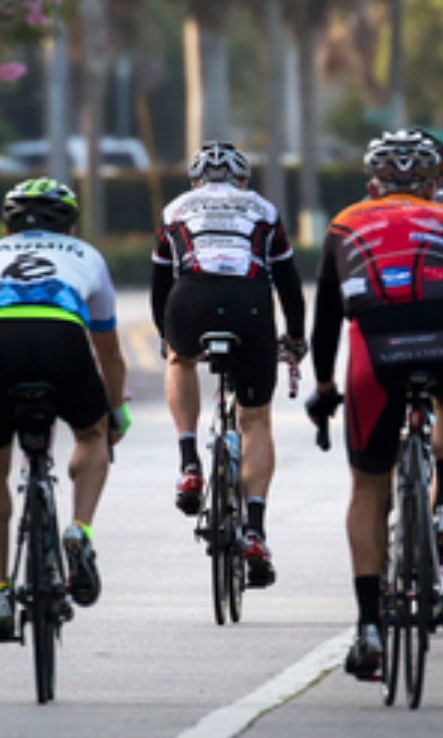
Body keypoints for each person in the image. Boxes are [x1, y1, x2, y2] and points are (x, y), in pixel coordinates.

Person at [305, 131, 443, 679]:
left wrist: (325, 389)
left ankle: (368, 629)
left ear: (370, 183)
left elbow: (325, 324)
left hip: (372, 347)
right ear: (436, 183)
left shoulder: (343, 223)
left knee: (367, 486)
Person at [0, 177, 129, 642]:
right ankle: (79, 530)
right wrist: (114, 413)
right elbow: (109, 354)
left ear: (7, 228)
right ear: (70, 226)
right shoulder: (88, 256)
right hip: (61, 343)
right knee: (91, 435)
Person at [151, 141, 307, 588]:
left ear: (196, 180)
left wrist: (169, 338)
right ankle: (255, 532)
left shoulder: (175, 209)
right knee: (255, 418)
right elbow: (289, 283)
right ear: (242, 180)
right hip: (249, 305)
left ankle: (189, 465)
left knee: (179, 360)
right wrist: (295, 339)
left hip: (190, 300)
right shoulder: (263, 209)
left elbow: (161, 286)